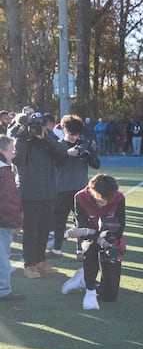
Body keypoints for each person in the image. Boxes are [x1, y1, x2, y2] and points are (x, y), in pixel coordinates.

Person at [13, 112, 68, 278]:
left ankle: (40, 260)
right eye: (35, 125)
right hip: (30, 192)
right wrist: (23, 134)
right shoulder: (22, 140)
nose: (37, 129)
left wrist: (45, 137)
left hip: (49, 191)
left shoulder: (47, 139)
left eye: (41, 125)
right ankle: (29, 264)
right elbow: (18, 160)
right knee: (31, 229)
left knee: (45, 228)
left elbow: (62, 152)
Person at [61, 174, 126, 310]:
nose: (105, 203)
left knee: (110, 296)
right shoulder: (80, 197)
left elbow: (119, 227)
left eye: (108, 200)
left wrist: (105, 240)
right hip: (89, 239)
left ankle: (83, 280)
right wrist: (95, 237)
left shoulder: (119, 198)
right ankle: (90, 290)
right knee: (90, 249)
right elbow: (82, 226)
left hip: (109, 238)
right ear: (92, 191)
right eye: (101, 200)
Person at [49, 115, 101, 259]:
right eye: (71, 134)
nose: (74, 137)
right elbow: (55, 164)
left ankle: (81, 250)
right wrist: (67, 154)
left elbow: (96, 165)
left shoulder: (84, 144)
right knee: (59, 221)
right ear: (65, 130)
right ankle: (57, 249)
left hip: (80, 190)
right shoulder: (58, 145)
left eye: (77, 134)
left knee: (81, 222)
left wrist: (89, 153)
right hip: (61, 189)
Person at [0, 135, 24, 301]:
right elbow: (8, 200)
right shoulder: (4, 172)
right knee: (2, 258)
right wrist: (16, 221)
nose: (14, 152)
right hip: (2, 222)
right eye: (11, 149)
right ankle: (4, 290)